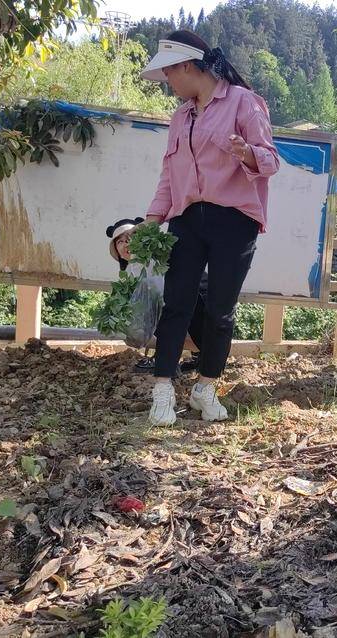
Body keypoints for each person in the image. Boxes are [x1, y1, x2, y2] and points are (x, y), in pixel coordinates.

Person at [132, 30, 279, 426]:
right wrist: (151, 221)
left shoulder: (244, 103)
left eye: (169, 75)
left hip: (235, 220)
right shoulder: (181, 117)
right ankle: (163, 390)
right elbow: (169, 173)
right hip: (187, 220)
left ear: (186, 66)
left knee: (219, 310)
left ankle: (206, 388)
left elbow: (271, 161)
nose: (168, 84)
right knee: (177, 302)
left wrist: (246, 153)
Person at [106, 217, 205, 374]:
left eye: (130, 238)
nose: (126, 244)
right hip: (181, 317)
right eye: (120, 242)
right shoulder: (130, 273)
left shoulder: (156, 259)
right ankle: (187, 356)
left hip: (197, 313)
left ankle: (172, 360)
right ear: (117, 252)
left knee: (157, 315)